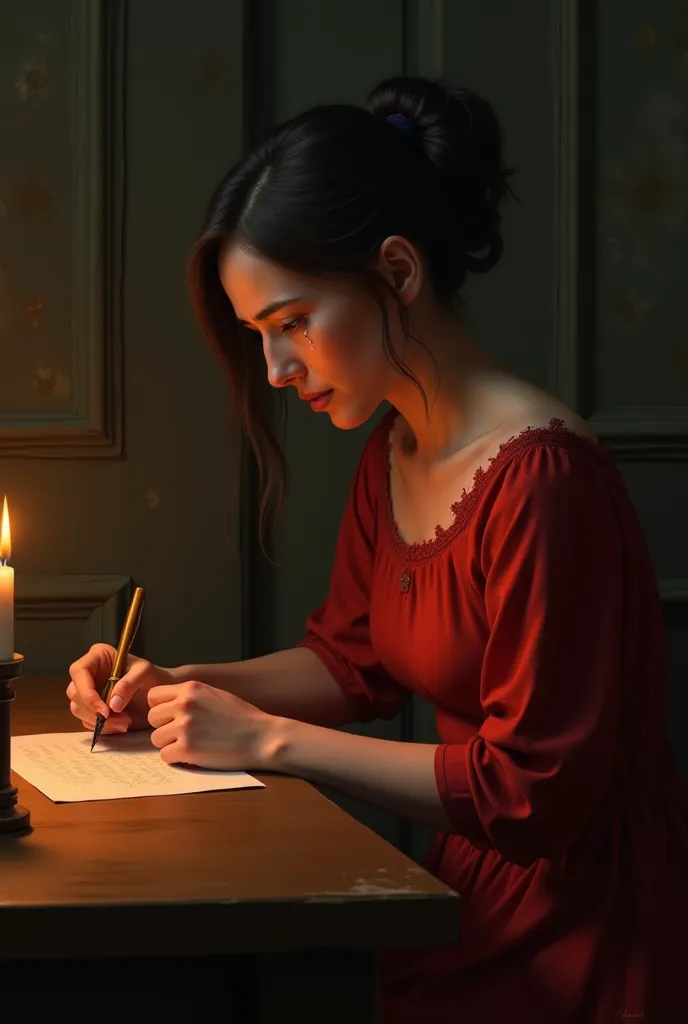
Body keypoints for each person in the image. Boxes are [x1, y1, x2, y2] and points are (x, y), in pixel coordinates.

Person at [66, 75, 688, 1022]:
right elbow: (350, 663)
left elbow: (533, 795)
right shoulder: (392, 448)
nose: (276, 371)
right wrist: (174, 685)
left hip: (588, 927)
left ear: (398, 271)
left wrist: (268, 739)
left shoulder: (542, 482)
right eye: (260, 338)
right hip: (461, 898)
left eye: (293, 324)